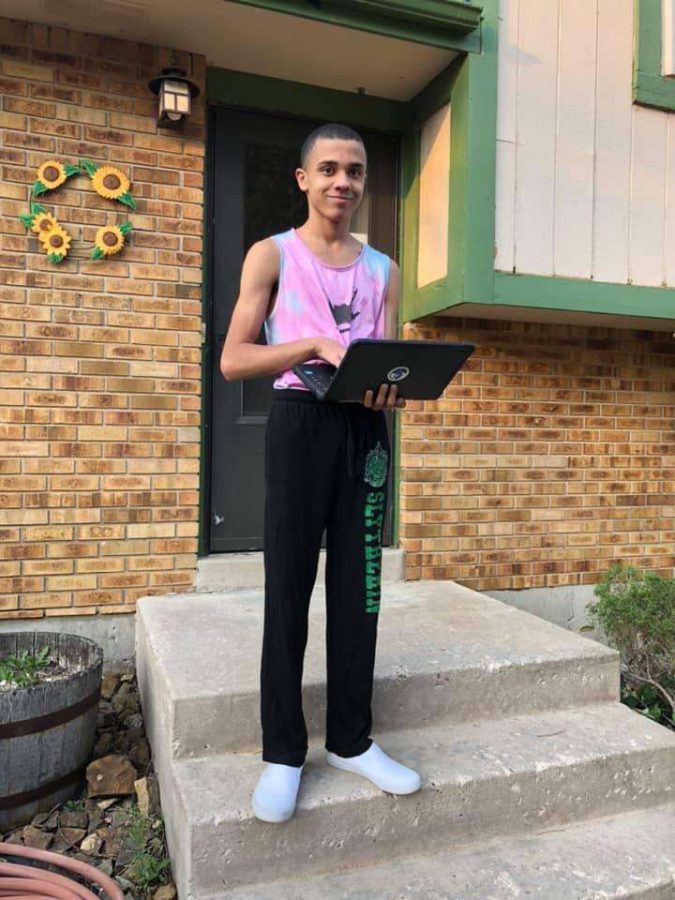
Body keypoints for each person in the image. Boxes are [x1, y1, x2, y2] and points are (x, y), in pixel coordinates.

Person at [220, 122, 422, 824]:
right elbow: (233, 359)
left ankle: (350, 741)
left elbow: (389, 357)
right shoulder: (270, 255)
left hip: (363, 431)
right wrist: (307, 341)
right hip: (298, 425)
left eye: (356, 171)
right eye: (329, 169)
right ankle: (282, 752)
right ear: (303, 179)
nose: (344, 182)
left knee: (360, 589)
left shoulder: (384, 270)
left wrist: (390, 386)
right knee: (288, 589)